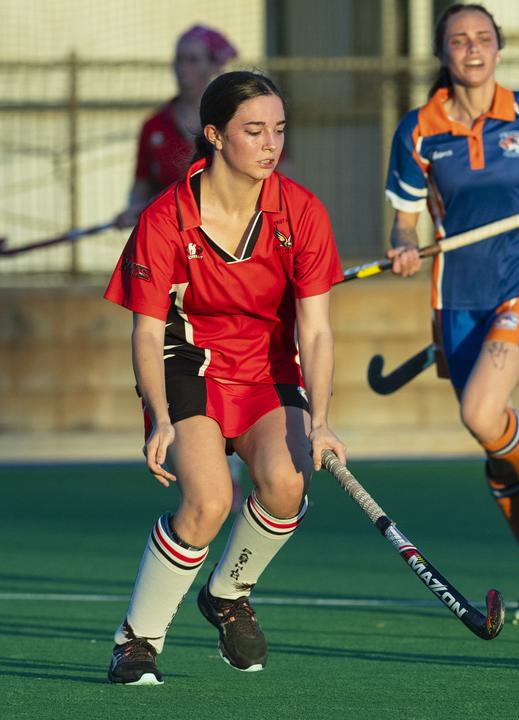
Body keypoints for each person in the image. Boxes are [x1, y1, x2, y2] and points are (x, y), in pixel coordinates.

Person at [103, 71, 346, 685]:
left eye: (279, 131)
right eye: (254, 131)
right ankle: (137, 640)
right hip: (189, 367)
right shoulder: (165, 219)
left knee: (287, 486)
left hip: (268, 372)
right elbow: (146, 330)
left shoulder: (302, 211)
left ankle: (227, 594)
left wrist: (319, 421)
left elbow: (315, 331)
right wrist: (158, 416)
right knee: (208, 502)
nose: (271, 145)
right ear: (214, 135)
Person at [381, 4, 519, 626]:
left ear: (500, 48)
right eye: (459, 40)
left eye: (483, 39)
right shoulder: (419, 129)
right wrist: (403, 244)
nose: (472, 49)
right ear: (443, 53)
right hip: (455, 299)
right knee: (495, 451)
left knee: (481, 411)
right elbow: (406, 217)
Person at [115, 25, 238, 229]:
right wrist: (134, 209)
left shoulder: (232, 121)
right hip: (171, 236)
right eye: (179, 59)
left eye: (193, 60)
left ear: (215, 66)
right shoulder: (153, 126)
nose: (183, 68)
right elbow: (141, 189)